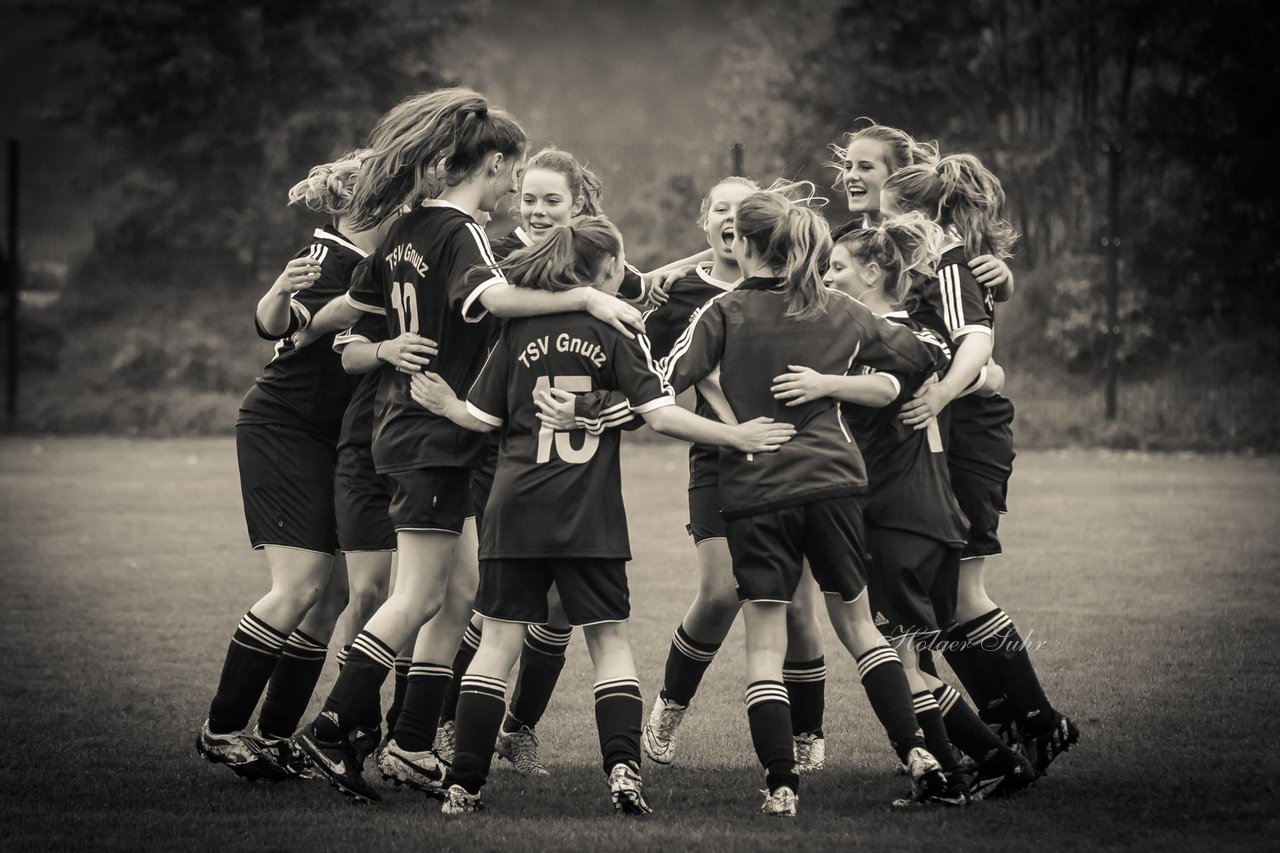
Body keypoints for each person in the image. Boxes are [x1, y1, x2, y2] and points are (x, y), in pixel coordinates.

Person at [290, 88, 649, 804]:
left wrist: (358, 338)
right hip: (430, 435)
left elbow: (354, 322)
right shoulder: (460, 232)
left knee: (457, 595)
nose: (513, 188)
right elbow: (493, 301)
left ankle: (413, 741)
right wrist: (582, 299)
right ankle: (332, 727)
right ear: (489, 163)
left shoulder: (404, 226)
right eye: (509, 173)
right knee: (420, 593)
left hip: (418, 433)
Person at [407, 215, 796, 816]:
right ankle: (622, 772)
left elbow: (480, 421)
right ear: (611, 268)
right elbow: (661, 414)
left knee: (496, 644)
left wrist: (445, 402)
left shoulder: (516, 328)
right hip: (588, 513)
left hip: (514, 509)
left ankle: (464, 784)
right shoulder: (619, 326)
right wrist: (734, 431)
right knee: (610, 642)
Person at [661, 186, 962, 816]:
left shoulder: (723, 313)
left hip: (757, 491)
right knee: (859, 628)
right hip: (834, 485)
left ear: (742, 244)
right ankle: (918, 754)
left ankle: (781, 786)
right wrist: (859, 382)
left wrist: (725, 414)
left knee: (765, 643)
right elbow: (920, 354)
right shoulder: (836, 307)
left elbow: (663, 383)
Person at [779, 214, 1037, 799]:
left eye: (838, 267)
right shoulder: (914, 330)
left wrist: (824, 383)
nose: (828, 276)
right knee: (905, 655)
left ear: (872, 272)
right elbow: (978, 370)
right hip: (932, 518)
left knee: (899, 660)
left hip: (900, 517)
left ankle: (962, 770)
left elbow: (887, 387)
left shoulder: (888, 335)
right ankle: (989, 765)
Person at [433, 146, 659, 776]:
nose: (534, 210)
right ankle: (448, 726)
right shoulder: (502, 259)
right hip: (499, 446)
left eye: (550, 200)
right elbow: (506, 306)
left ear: (579, 205)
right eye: (527, 198)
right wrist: (585, 300)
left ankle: (515, 730)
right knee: (494, 605)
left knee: (556, 607)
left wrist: (613, 400)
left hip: (553, 460)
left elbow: (652, 296)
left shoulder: (597, 260)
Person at [197, 151, 406, 780]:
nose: (409, 207)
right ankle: (223, 730)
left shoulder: (386, 263)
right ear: (371, 205)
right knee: (302, 584)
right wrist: (299, 306)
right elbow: (279, 327)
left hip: (332, 440)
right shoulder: (330, 256)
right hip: (282, 427)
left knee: (332, 593)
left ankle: (278, 735)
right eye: (399, 196)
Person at [882, 153, 1079, 775]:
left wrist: (949, 388)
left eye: (867, 172)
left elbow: (975, 345)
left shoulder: (948, 265)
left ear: (919, 213)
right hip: (937, 435)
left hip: (966, 435)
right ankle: (1002, 724)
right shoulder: (904, 258)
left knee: (963, 591)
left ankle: (1038, 722)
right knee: (937, 600)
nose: (851, 182)